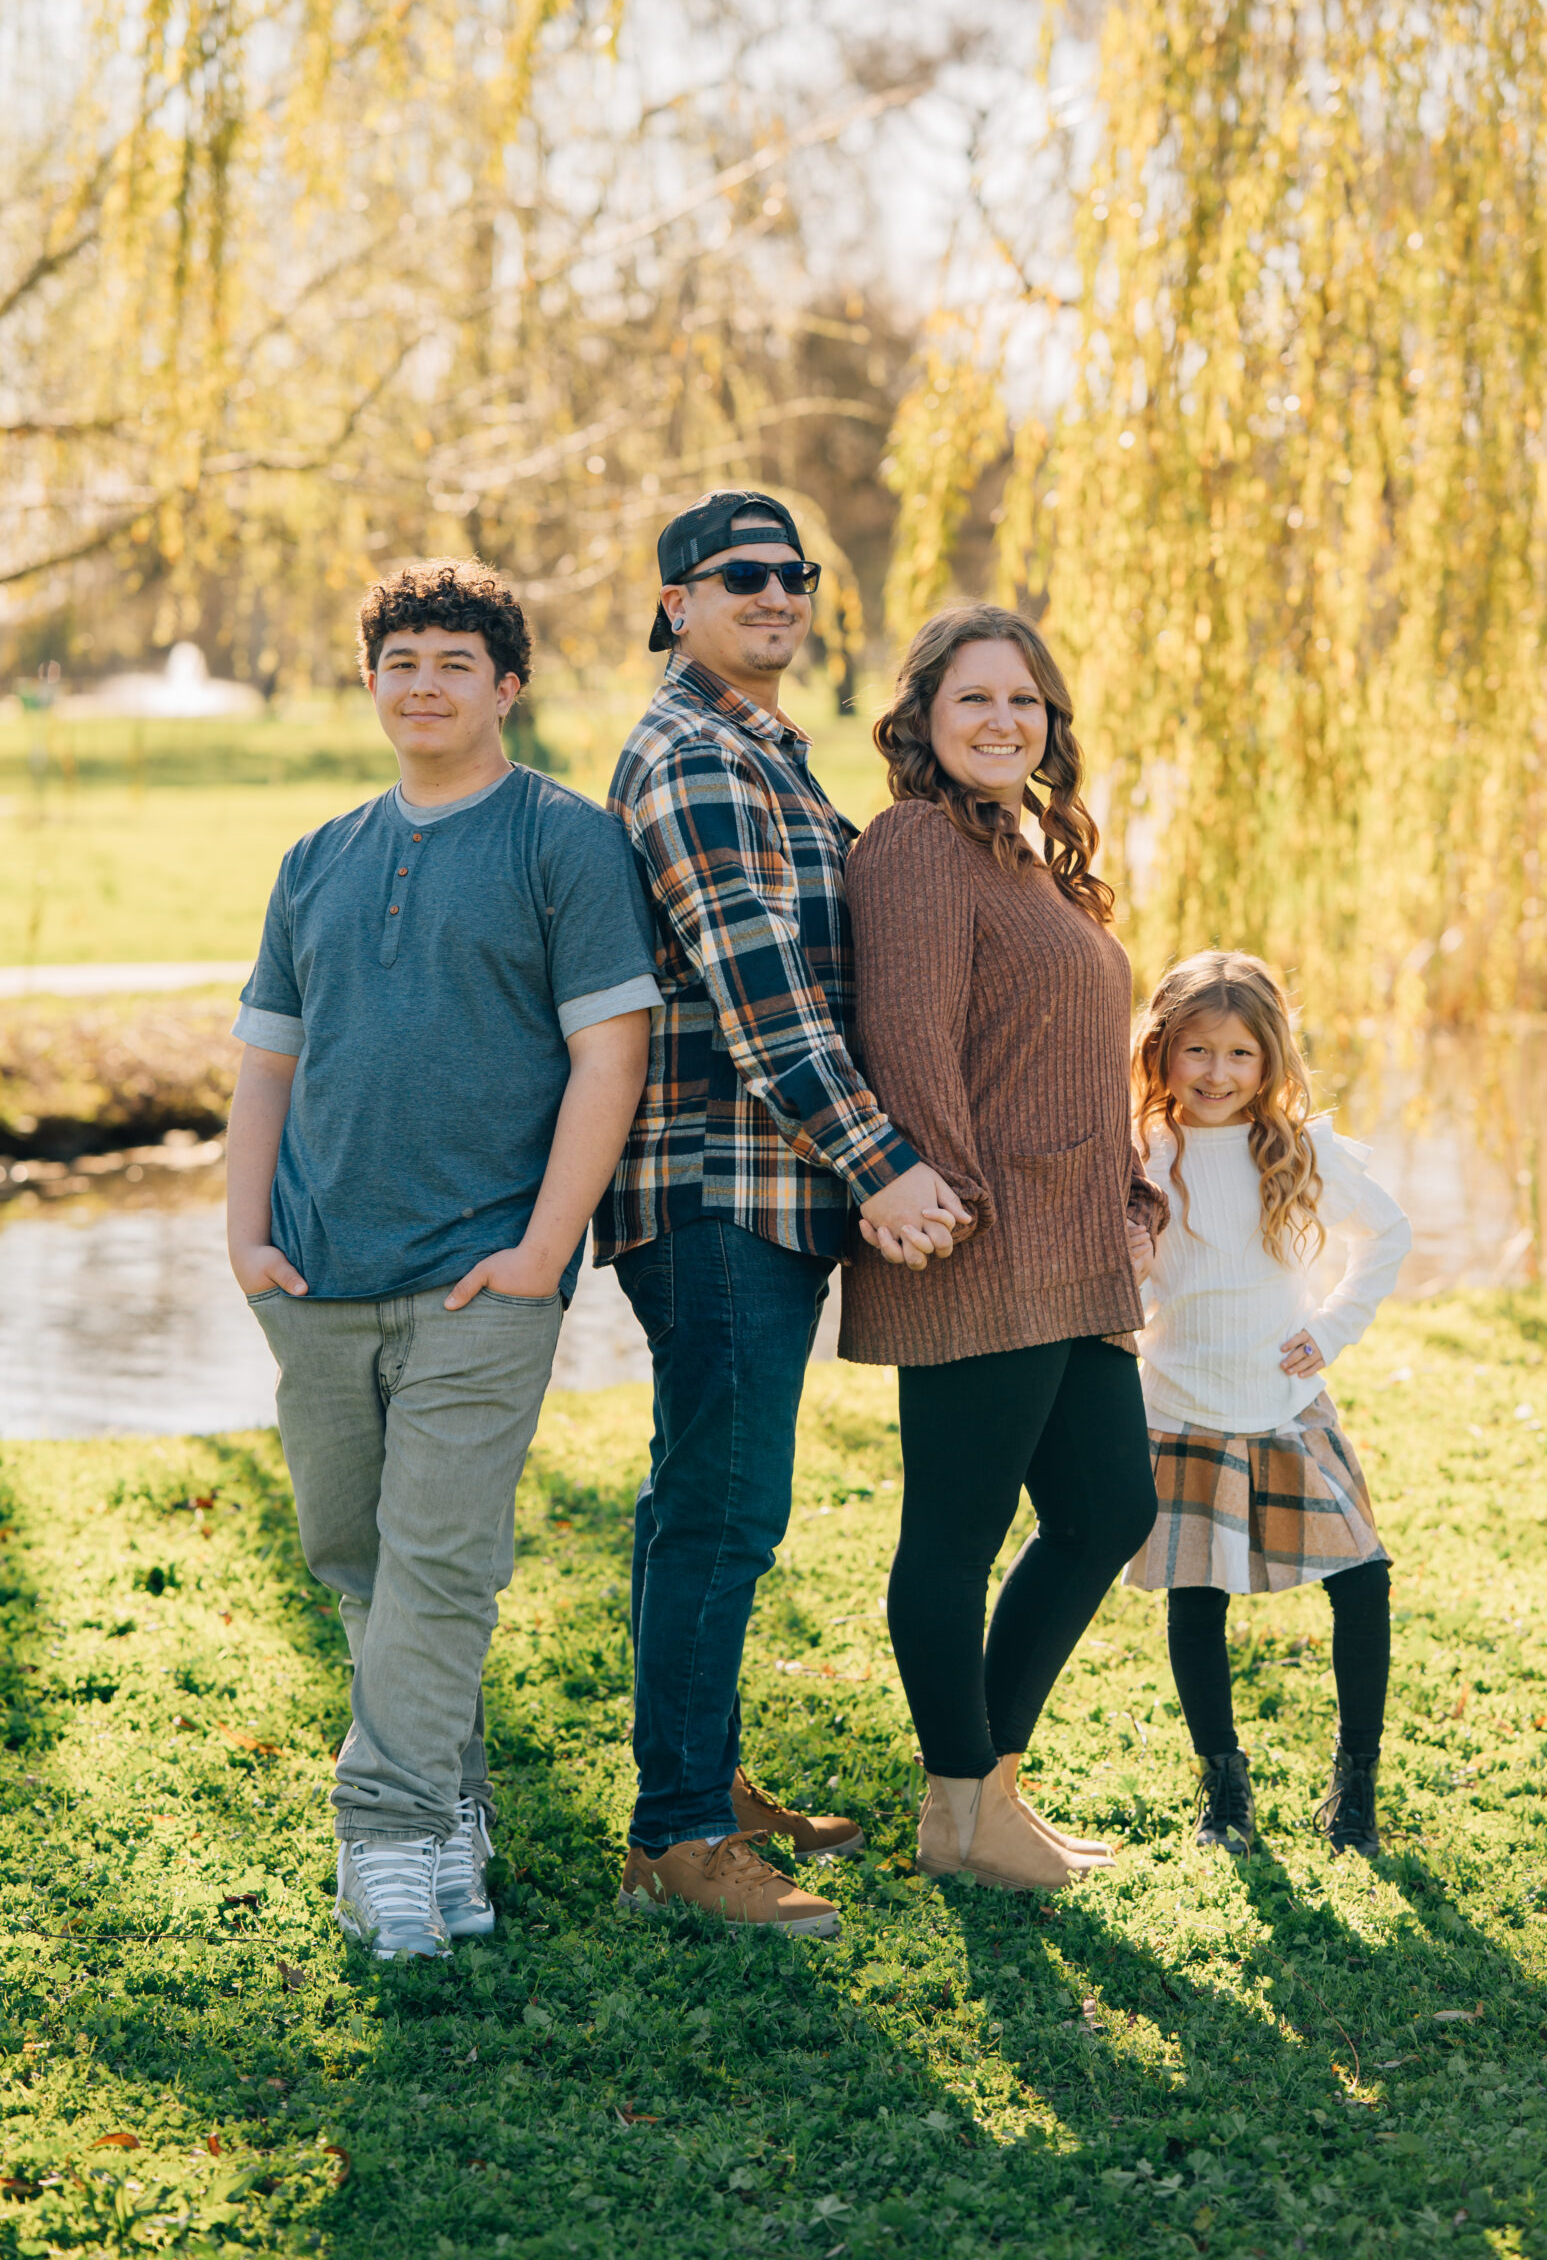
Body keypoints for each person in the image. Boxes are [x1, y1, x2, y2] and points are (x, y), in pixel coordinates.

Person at [228, 562, 662, 1960]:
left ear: (505, 689)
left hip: (482, 1275)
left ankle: (389, 1844)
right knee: (354, 1556)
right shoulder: (319, 858)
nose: (424, 682)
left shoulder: (559, 842)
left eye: (454, 662)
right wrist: (246, 1239)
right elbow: (265, 1066)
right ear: (372, 683)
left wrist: (543, 1248)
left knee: (437, 1562)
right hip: (318, 1277)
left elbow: (611, 1050)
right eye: (401, 659)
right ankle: (453, 1805)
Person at [599, 489, 971, 1938]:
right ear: (675, 605)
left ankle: (695, 1777)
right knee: (724, 1509)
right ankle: (677, 1839)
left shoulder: (766, 753)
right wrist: (881, 1162)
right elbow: (765, 1004)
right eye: (739, 574)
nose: (775, 592)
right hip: (711, 1188)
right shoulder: (687, 754)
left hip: (763, 1190)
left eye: (793, 573)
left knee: (697, 1497)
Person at [839, 604, 1168, 1892]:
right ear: (922, 716)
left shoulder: (1022, 848)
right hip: (976, 1241)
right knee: (955, 1535)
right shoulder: (916, 843)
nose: (1002, 721)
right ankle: (959, 1808)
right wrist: (946, 1207)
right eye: (974, 698)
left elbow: (1059, 1048)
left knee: (1104, 1511)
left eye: (1024, 700)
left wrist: (1126, 1190)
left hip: (1068, 1240)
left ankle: (984, 1792)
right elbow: (911, 1046)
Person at [1125, 951, 1412, 1859]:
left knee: (1362, 1577)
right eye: (1196, 1051)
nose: (1216, 1074)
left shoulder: (1301, 1149)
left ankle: (1354, 1785)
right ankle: (1222, 1782)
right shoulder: (1145, 1154)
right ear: (1161, 1052)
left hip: (1285, 1403)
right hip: (1179, 1406)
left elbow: (1388, 1234)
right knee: (1196, 1593)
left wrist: (1331, 1331)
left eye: (1239, 1054)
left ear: (1269, 1059)